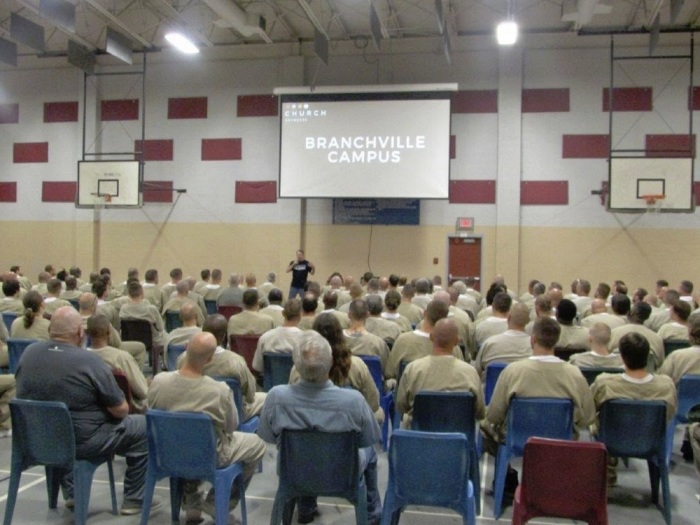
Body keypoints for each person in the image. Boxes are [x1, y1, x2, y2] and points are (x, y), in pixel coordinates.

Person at [15, 307, 158, 514]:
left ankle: (73, 492)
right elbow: (120, 410)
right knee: (144, 427)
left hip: (36, 439)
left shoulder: (28, 354)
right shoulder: (89, 361)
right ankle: (135, 498)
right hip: (83, 441)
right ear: (81, 333)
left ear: (50, 331)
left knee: (64, 429)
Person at [258, 330, 382, 525]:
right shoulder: (354, 402)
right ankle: (373, 512)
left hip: (294, 473)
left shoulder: (276, 397)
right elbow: (369, 439)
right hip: (343, 476)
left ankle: (305, 507)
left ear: (296, 366)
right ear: (331, 362)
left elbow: (268, 436)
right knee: (371, 454)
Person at [149, 332, 265, 522]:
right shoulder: (218, 391)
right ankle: (218, 502)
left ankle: (192, 503)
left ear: (186, 348)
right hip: (210, 455)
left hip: (166, 452)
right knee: (257, 444)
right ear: (210, 359)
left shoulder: (158, 382)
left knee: (186, 439)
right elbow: (232, 426)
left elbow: (151, 410)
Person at [481, 317, 595, 455]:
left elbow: (494, 415)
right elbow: (587, 418)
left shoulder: (513, 371)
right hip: (561, 440)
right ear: (556, 340)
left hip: (518, 439)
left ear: (533, 339)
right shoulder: (575, 374)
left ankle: (507, 472)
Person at [590, 332, 677, 486]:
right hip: (651, 440)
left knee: (599, 424)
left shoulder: (605, 383)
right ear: (648, 356)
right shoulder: (666, 386)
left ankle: (606, 474)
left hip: (611, 439)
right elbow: (670, 415)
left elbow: (590, 411)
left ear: (622, 357)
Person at [396, 318, 484, 428]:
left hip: (420, 438)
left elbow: (401, 406)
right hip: (458, 439)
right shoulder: (470, 373)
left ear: (431, 337)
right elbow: (479, 412)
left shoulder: (413, 369)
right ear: (457, 341)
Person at [86, 314, 148, 413]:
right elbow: (143, 392)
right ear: (109, 331)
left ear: (87, 332)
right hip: (123, 410)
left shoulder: (81, 357)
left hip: (91, 407)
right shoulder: (121, 358)